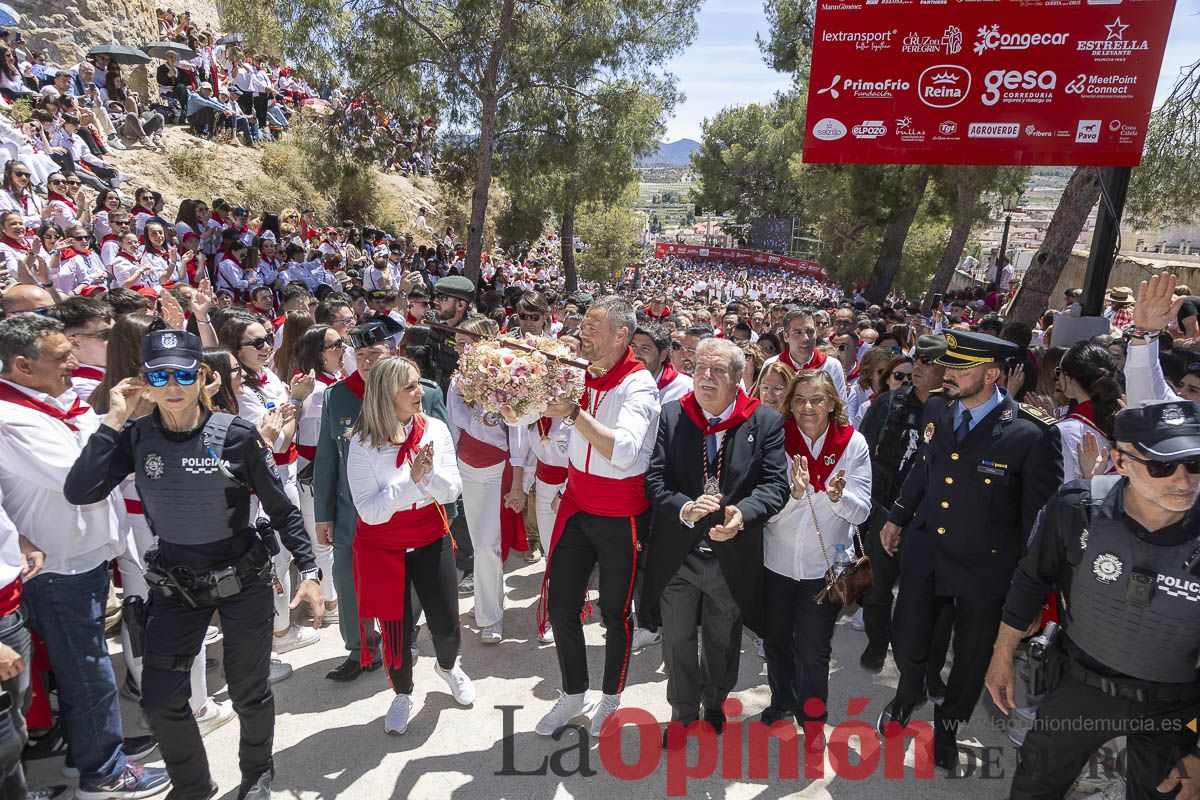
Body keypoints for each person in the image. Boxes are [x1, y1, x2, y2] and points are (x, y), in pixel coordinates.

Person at [64, 329, 323, 800]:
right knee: (162, 702)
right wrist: (113, 421)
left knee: (249, 691)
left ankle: (256, 775)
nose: (173, 385)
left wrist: (309, 572)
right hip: (176, 586)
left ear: (202, 377)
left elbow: (282, 511)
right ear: (144, 380)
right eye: (159, 376)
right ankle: (192, 785)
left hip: (242, 579)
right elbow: (80, 490)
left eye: (184, 374)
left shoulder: (236, 436)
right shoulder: (136, 437)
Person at [985, 401, 1200, 800]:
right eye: (1162, 466)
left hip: (1176, 707)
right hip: (1082, 685)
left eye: (1195, 463)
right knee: (1034, 786)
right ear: (1121, 460)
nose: (1184, 481)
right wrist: (1001, 656)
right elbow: (1031, 578)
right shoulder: (1077, 509)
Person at [0, 315, 169, 800]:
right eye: (60, 357)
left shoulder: (50, 402)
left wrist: (127, 413)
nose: (74, 362)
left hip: (83, 555)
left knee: (86, 664)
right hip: (59, 566)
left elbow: (97, 442)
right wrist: (116, 419)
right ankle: (102, 773)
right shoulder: (12, 418)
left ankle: (89, 752)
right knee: (87, 668)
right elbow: (80, 476)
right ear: (22, 365)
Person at [877, 330, 1063, 771]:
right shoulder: (938, 408)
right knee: (907, 641)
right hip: (927, 553)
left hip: (987, 568)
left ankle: (949, 724)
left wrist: (1030, 591)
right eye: (950, 365)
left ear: (993, 374)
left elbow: (1037, 522)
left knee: (973, 657)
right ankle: (908, 693)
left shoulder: (1031, 433)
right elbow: (923, 470)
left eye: (962, 368)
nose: (948, 374)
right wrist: (897, 516)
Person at [642, 337, 789, 746]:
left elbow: (775, 485)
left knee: (721, 641)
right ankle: (682, 713)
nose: (705, 377)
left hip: (731, 555)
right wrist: (686, 508)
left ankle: (714, 704)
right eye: (700, 368)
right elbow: (654, 480)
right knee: (676, 640)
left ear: (739, 377)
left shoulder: (763, 423)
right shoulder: (673, 415)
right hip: (679, 554)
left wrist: (743, 516)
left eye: (718, 370)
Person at [536, 296, 660, 737]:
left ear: (621, 335)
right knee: (561, 606)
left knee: (614, 611)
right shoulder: (582, 373)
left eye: (592, 326)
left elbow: (622, 451)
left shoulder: (639, 385)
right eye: (582, 323)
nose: (582, 332)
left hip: (619, 513)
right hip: (577, 503)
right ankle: (574, 694)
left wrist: (571, 411)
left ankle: (611, 696)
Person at [313, 316, 449, 681]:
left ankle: (405, 635)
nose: (368, 362)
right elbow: (327, 457)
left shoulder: (428, 393)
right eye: (360, 354)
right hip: (350, 511)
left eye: (375, 353)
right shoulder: (337, 396)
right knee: (348, 579)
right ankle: (361, 650)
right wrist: (323, 513)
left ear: (393, 352)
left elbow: (442, 456)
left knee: (411, 579)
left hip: (410, 510)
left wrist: (445, 505)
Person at [346, 356, 475, 734]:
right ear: (387, 394)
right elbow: (369, 512)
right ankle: (402, 692)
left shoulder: (435, 428)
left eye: (419, 383)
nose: (420, 392)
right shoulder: (362, 443)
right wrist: (410, 481)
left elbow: (453, 489)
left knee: (447, 623)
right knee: (396, 631)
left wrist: (428, 476)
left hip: (429, 535)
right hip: (382, 546)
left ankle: (449, 667)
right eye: (410, 387)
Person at [760, 369, 871, 732]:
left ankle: (812, 718)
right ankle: (782, 699)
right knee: (775, 643)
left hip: (823, 570)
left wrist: (838, 496)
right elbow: (764, 509)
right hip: (774, 564)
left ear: (832, 403)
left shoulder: (853, 444)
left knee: (813, 651)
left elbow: (862, 510)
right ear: (790, 403)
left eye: (817, 399)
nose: (808, 407)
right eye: (800, 399)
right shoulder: (775, 440)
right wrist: (794, 495)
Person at [856, 334, 948, 673]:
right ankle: (877, 642)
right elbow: (862, 451)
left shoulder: (951, 412)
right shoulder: (890, 403)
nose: (919, 367)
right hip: (884, 509)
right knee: (876, 588)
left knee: (918, 597)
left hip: (925, 519)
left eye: (928, 362)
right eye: (917, 359)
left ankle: (911, 655)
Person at [447, 317, 528, 644]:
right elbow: (454, 427)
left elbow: (519, 433)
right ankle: (486, 599)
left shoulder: (508, 378)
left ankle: (491, 617)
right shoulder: (457, 382)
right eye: (459, 343)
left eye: (470, 343)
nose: (463, 349)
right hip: (467, 466)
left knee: (487, 545)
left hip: (498, 468)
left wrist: (518, 482)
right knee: (480, 543)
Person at [763, 308, 846, 397]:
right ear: (786, 336)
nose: (805, 338)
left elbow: (841, 406)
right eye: (798, 332)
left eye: (810, 332)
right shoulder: (771, 365)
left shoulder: (832, 365)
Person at [633, 321, 693, 406]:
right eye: (633, 346)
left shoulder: (686, 389)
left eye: (645, 348)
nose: (636, 353)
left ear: (663, 355)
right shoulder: (621, 382)